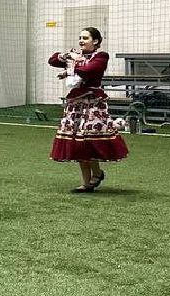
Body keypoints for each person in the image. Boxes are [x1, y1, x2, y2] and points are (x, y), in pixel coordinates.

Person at [48, 28, 129, 192]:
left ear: (96, 41)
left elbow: (90, 70)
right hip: (76, 104)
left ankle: (96, 174)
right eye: (80, 38)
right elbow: (52, 60)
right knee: (77, 140)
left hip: (93, 103)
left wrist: (72, 67)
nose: (81, 41)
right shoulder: (76, 57)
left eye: (85, 38)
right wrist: (67, 56)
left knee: (89, 139)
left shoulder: (101, 56)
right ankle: (88, 181)